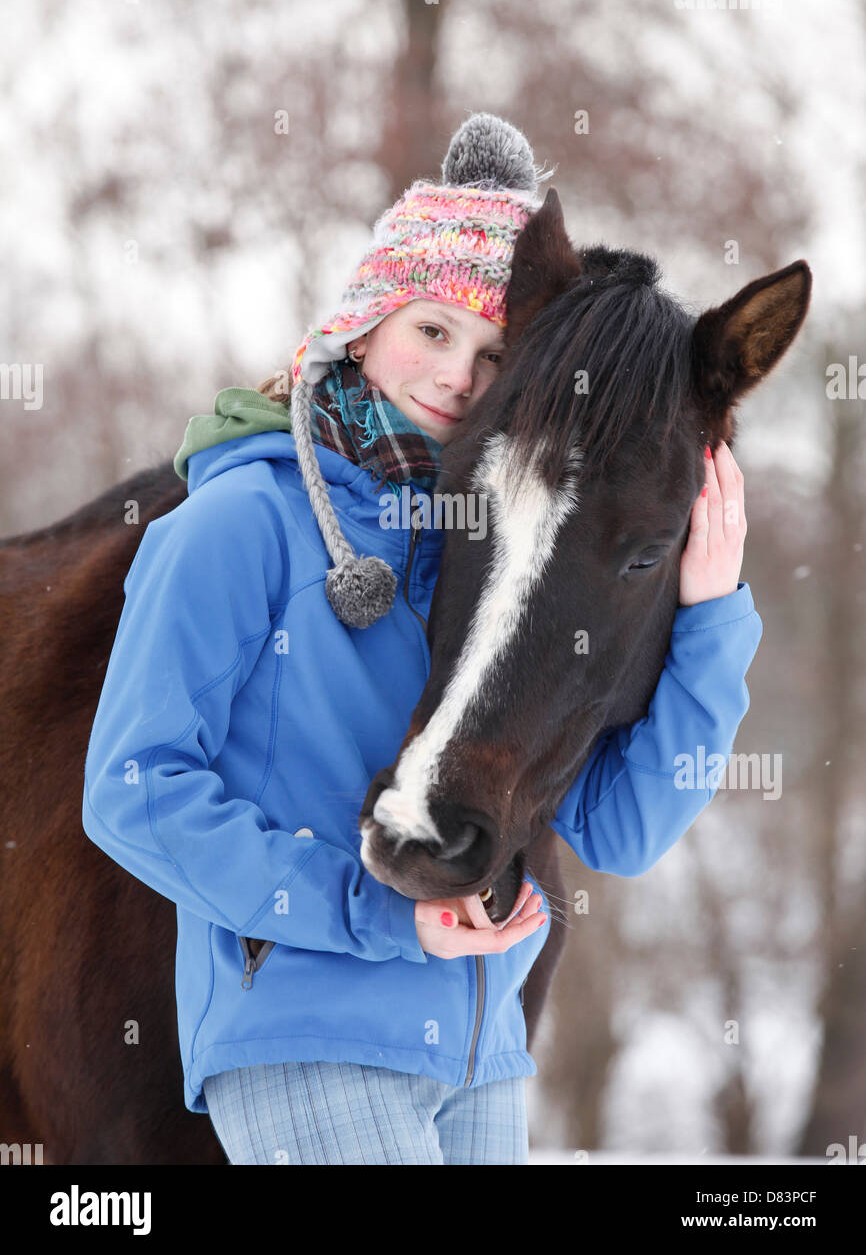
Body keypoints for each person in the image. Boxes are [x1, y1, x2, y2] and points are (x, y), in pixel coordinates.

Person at [82, 112, 762, 1165]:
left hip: (480, 1052)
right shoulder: (237, 523)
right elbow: (130, 788)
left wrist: (710, 614)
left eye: (492, 353)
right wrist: (367, 910)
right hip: (304, 1032)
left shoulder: (490, 566)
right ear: (364, 324)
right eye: (430, 329)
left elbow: (619, 826)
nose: (455, 373)